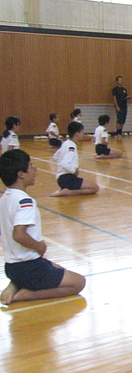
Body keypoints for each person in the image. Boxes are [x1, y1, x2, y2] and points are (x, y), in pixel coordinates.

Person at [0, 149, 86, 305]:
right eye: (31, 166)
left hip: (12, 267)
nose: (35, 169)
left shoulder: (5, 198)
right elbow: (19, 235)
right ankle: (24, 294)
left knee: (57, 268)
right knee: (78, 283)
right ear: (21, 174)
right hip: (29, 267)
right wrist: (39, 246)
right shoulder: (24, 201)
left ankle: (16, 283)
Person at [51, 121, 100, 196]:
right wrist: (74, 171)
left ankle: (65, 189)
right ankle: (68, 192)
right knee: (94, 188)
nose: (83, 134)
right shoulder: (71, 146)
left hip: (61, 178)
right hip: (67, 178)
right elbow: (65, 164)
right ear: (77, 134)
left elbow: (55, 156)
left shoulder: (66, 143)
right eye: (82, 132)